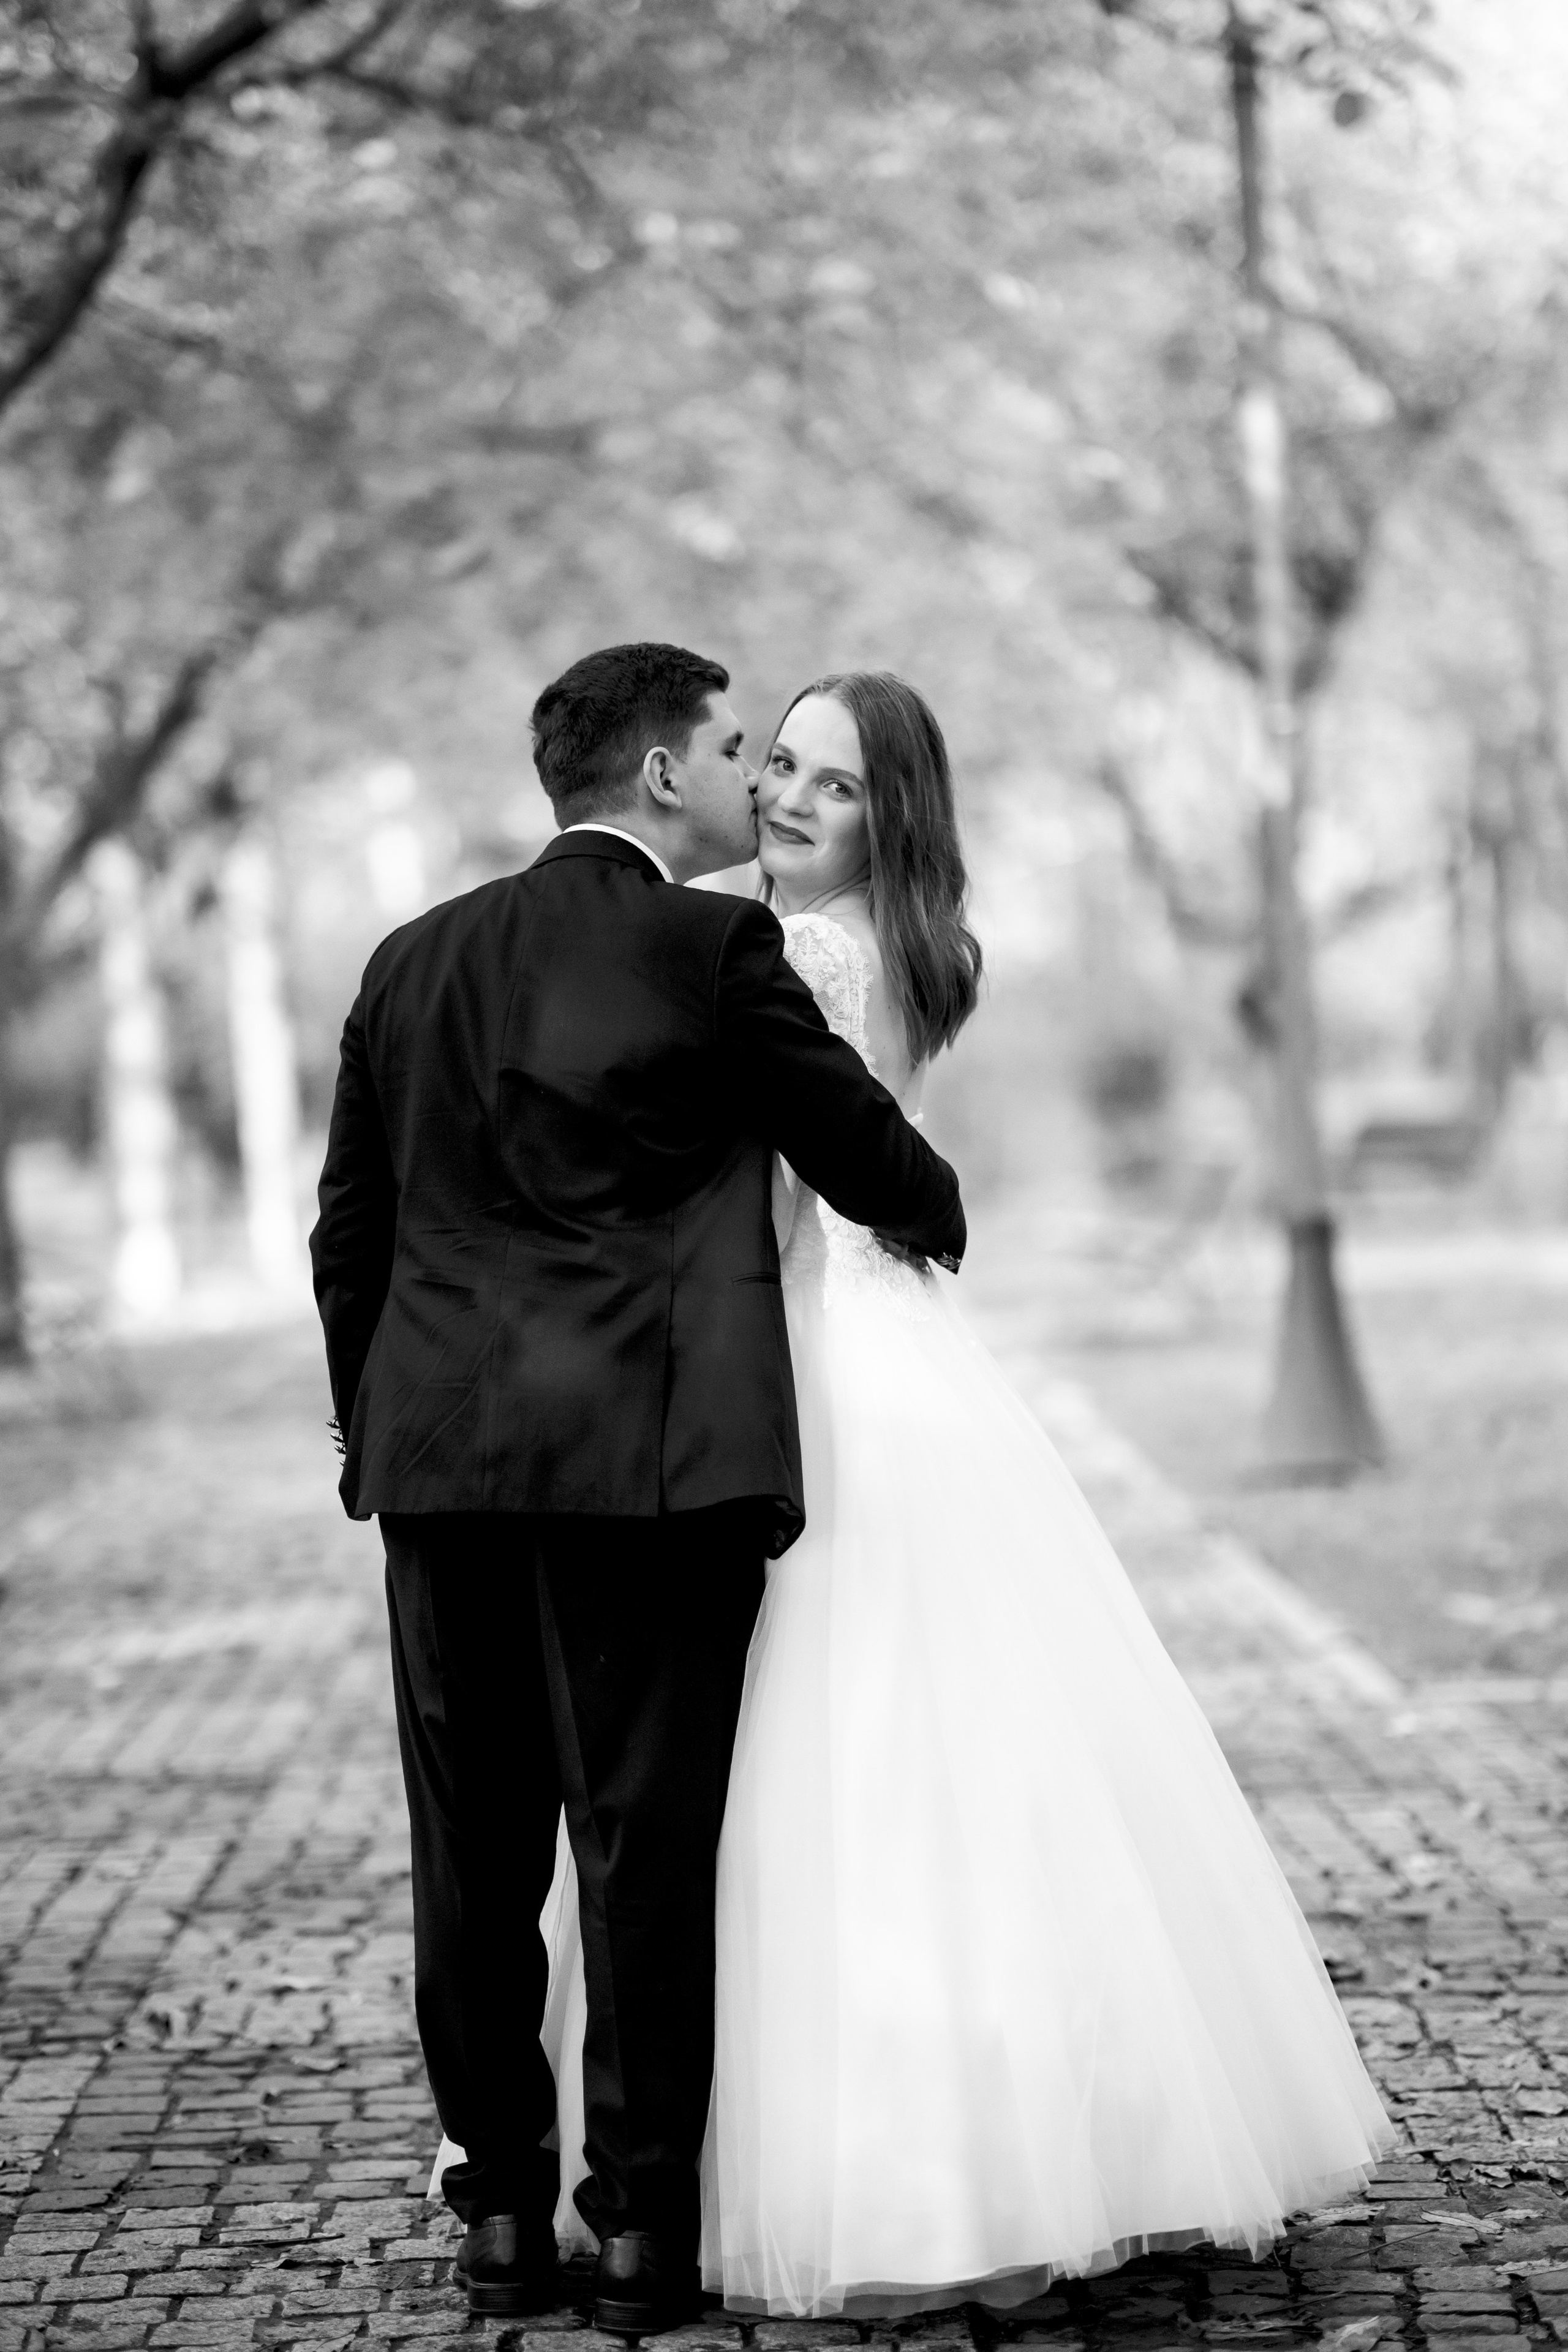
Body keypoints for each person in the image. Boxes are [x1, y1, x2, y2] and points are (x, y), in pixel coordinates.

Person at [524, 671, 1393, 2321]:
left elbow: (780, 1196)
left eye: (835, 787)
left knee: (829, 1740)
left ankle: (866, 2156)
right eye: (776, 762)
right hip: (877, 1343)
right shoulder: (794, 934)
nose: (786, 797)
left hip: (808, 1364)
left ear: (891, 818)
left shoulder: (798, 951)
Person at [309, 644, 965, 2329]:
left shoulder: (410, 963)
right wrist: (936, 1205)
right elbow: (860, 1150)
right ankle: (643, 2241)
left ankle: (505, 2224)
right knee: (640, 1853)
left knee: (471, 1858)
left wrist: (375, 1435)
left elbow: (350, 1242)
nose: (759, 779)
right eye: (738, 747)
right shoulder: (712, 945)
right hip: (654, 1476)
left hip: (445, 1475)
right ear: (663, 773)